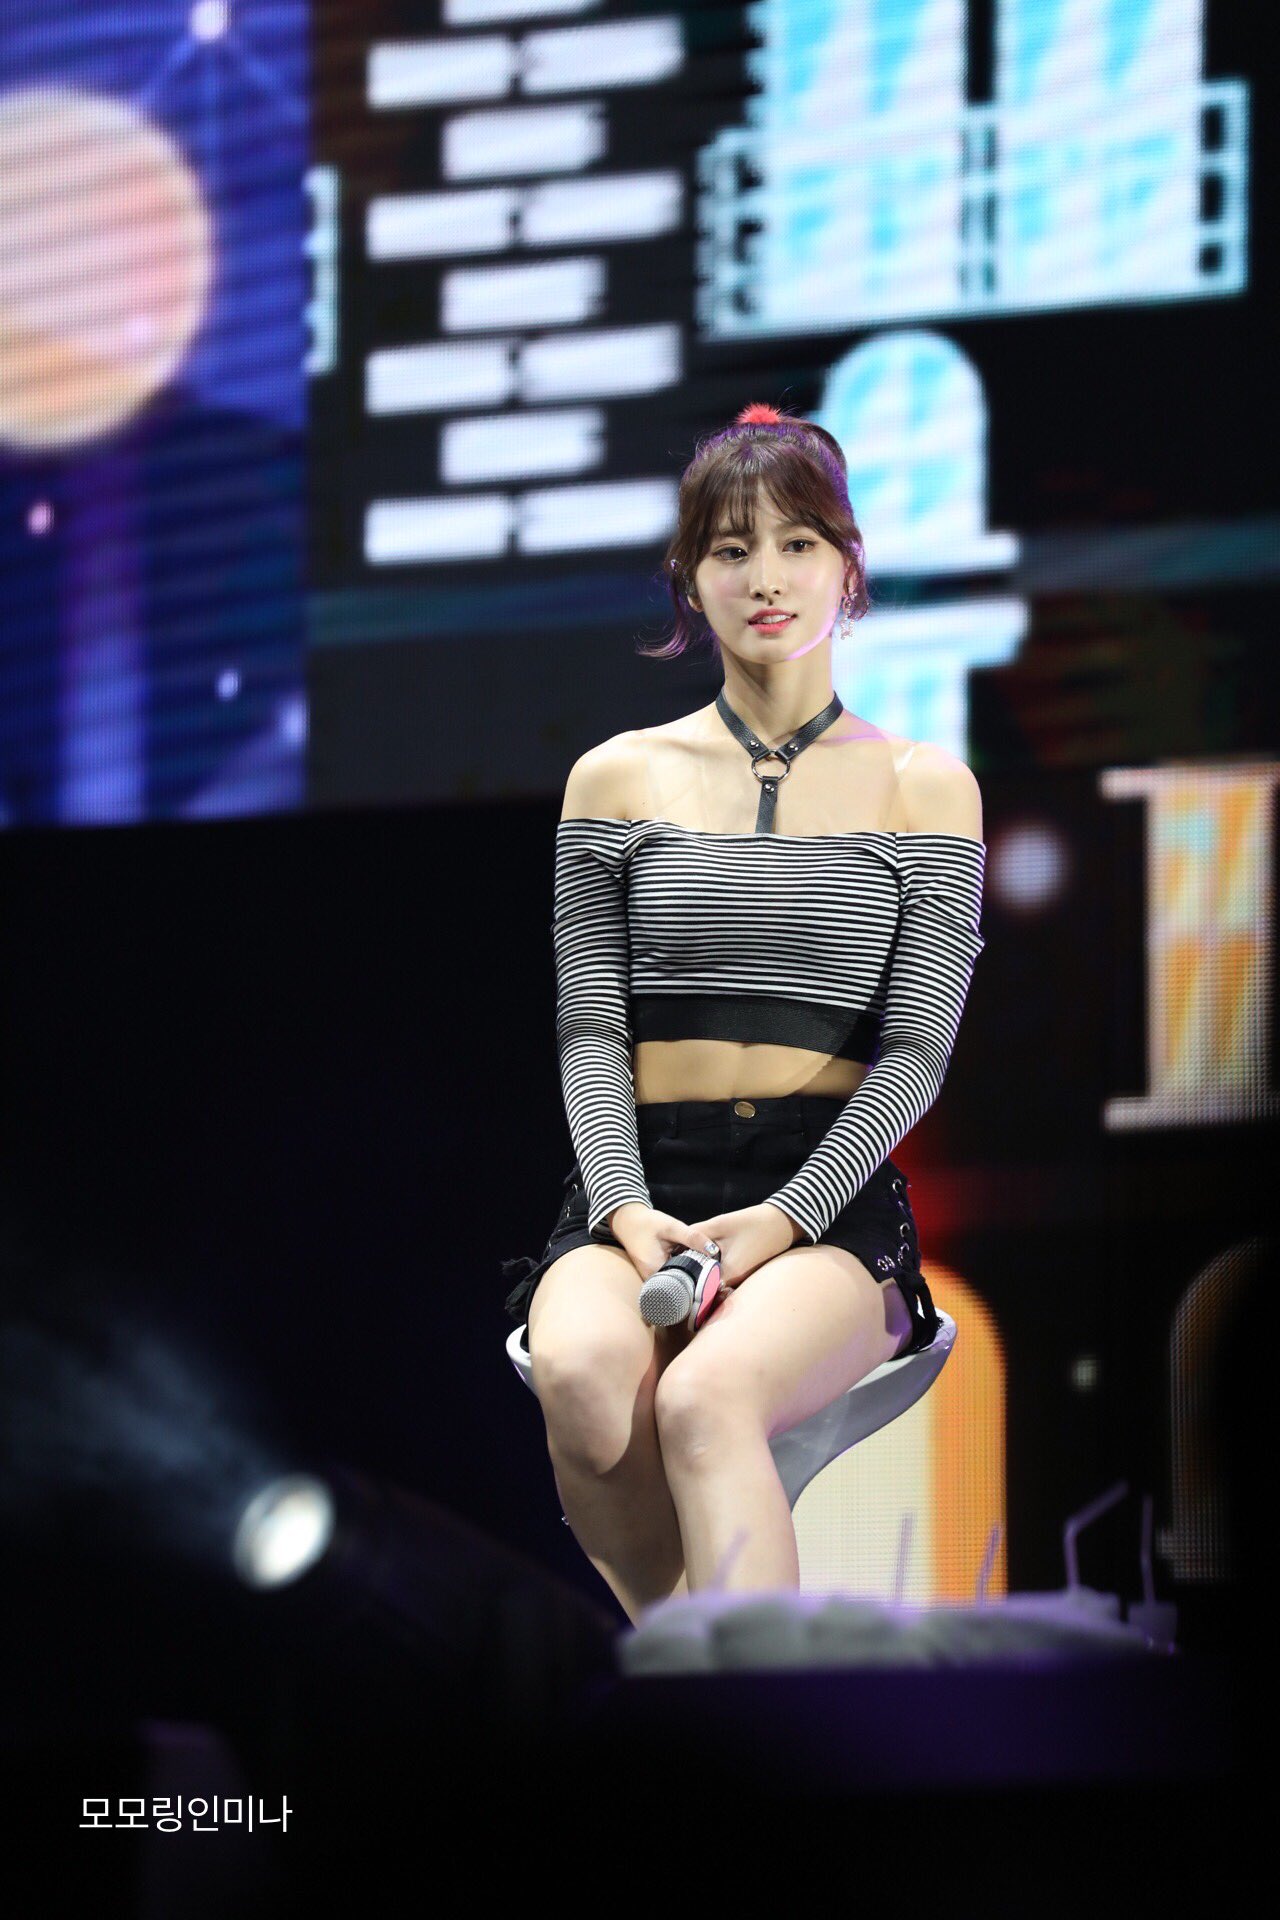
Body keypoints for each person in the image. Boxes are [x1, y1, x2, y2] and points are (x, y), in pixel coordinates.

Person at [500, 402, 987, 1625]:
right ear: (689, 577)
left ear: (846, 565)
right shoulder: (616, 776)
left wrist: (784, 1217)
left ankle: (751, 1708)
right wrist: (621, 1208)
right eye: (730, 549)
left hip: (823, 1206)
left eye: (796, 544)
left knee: (704, 1399)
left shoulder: (923, 787)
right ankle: (705, 1666)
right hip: (639, 1184)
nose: (764, 578)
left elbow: (915, 1049)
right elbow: (591, 1028)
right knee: (579, 1372)